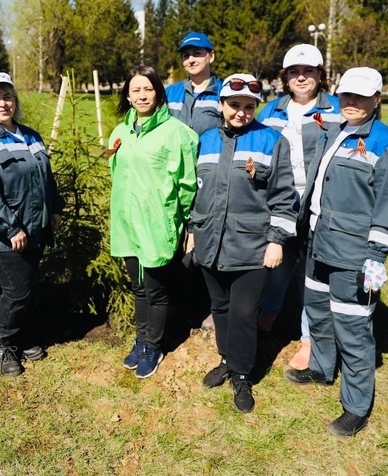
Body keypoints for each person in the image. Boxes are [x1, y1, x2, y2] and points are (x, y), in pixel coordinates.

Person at [284, 67, 388, 437]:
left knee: (354, 330)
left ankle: (356, 407)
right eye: (345, 95)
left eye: (359, 96)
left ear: (376, 99)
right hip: (316, 244)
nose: (351, 102)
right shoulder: (336, 131)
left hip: (353, 255)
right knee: (318, 313)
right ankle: (322, 369)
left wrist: (374, 261)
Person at [188, 73, 297, 412]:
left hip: (251, 247)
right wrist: (192, 231)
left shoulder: (271, 141)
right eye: (234, 105)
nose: (241, 112)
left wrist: (277, 241)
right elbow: (195, 192)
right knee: (219, 307)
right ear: (221, 105)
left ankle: (242, 374)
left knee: (244, 312)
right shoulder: (204, 140)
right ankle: (226, 358)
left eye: (249, 107)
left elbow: (283, 197)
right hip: (210, 243)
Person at [0, 72, 64, 377]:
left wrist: (55, 209)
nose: (3, 103)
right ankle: (4, 346)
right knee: (16, 291)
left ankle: (23, 336)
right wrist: (9, 228)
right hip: (4, 236)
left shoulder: (31, 136)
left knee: (26, 287)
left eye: (7, 96)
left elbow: (47, 178)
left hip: (36, 229)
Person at [109, 65, 199, 379]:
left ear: (159, 92)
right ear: (128, 96)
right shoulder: (120, 133)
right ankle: (141, 338)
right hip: (128, 224)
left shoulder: (178, 134)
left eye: (148, 89)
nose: (142, 95)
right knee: (138, 287)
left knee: (157, 291)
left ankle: (153, 345)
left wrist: (185, 224)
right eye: (136, 90)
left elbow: (187, 184)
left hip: (158, 224)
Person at [256, 44, 342, 369]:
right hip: (281, 204)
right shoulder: (270, 111)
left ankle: (308, 338)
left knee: (312, 273)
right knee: (278, 263)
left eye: (308, 71)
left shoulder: (335, 110)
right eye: (294, 71)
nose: (301, 77)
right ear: (285, 77)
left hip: (320, 205)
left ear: (320, 75)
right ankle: (268, 312)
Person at [165, 31, 222, 331]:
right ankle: (176, 304)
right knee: (174, 239)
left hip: (209, 178)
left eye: (198, 53)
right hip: (172, 179)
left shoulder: (224, 92)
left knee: (204, 240)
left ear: (211, 56)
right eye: (186, 54)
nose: (191, 58)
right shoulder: (170, 93)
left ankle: (208, 307)